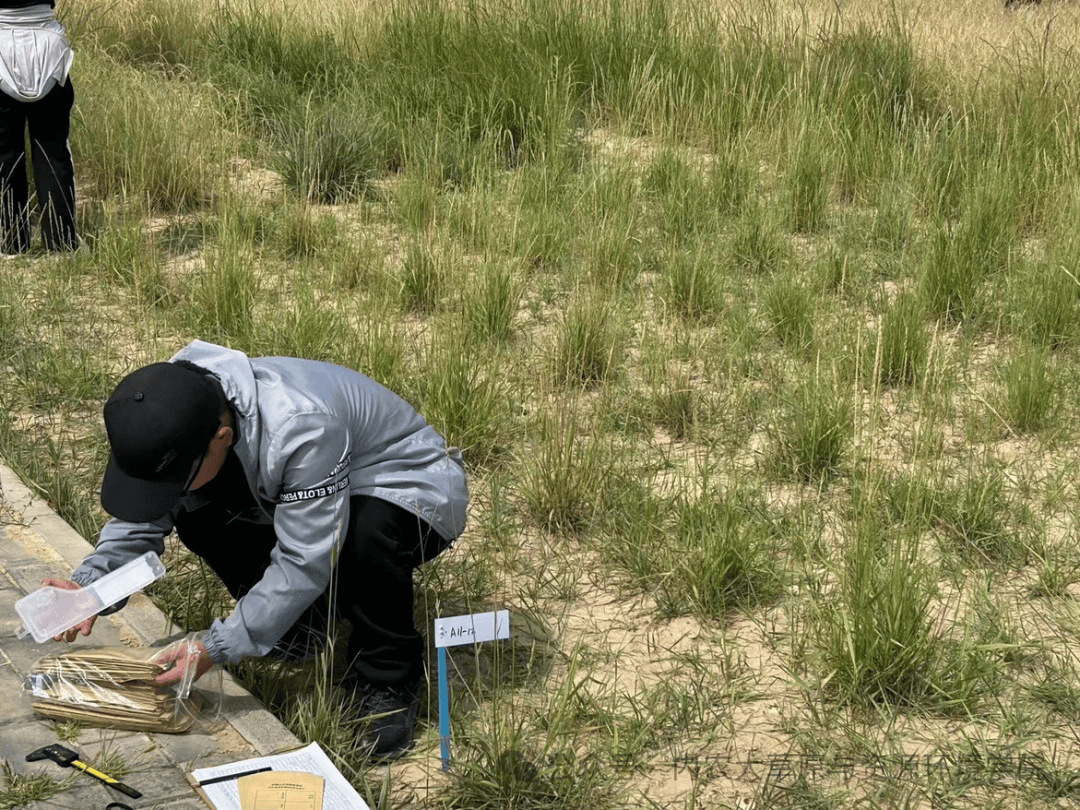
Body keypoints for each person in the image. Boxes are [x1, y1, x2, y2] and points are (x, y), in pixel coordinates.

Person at [45, 340, 469, 760]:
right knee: (196, 512)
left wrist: (218, 646)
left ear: (223, 436)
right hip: (309, 488)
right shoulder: (167, 409)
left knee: (363, 533)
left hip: (407, 483)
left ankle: (388, 676)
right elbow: (143, 517)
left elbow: (305, 559)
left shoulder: (302, 427)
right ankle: (299, 626)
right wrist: (91, 587)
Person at [0, 0, 78, 254]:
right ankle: (61, 244)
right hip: (47, 45)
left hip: (3, 40)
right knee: (52, 152)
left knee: (4, 155)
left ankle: (11, 244)